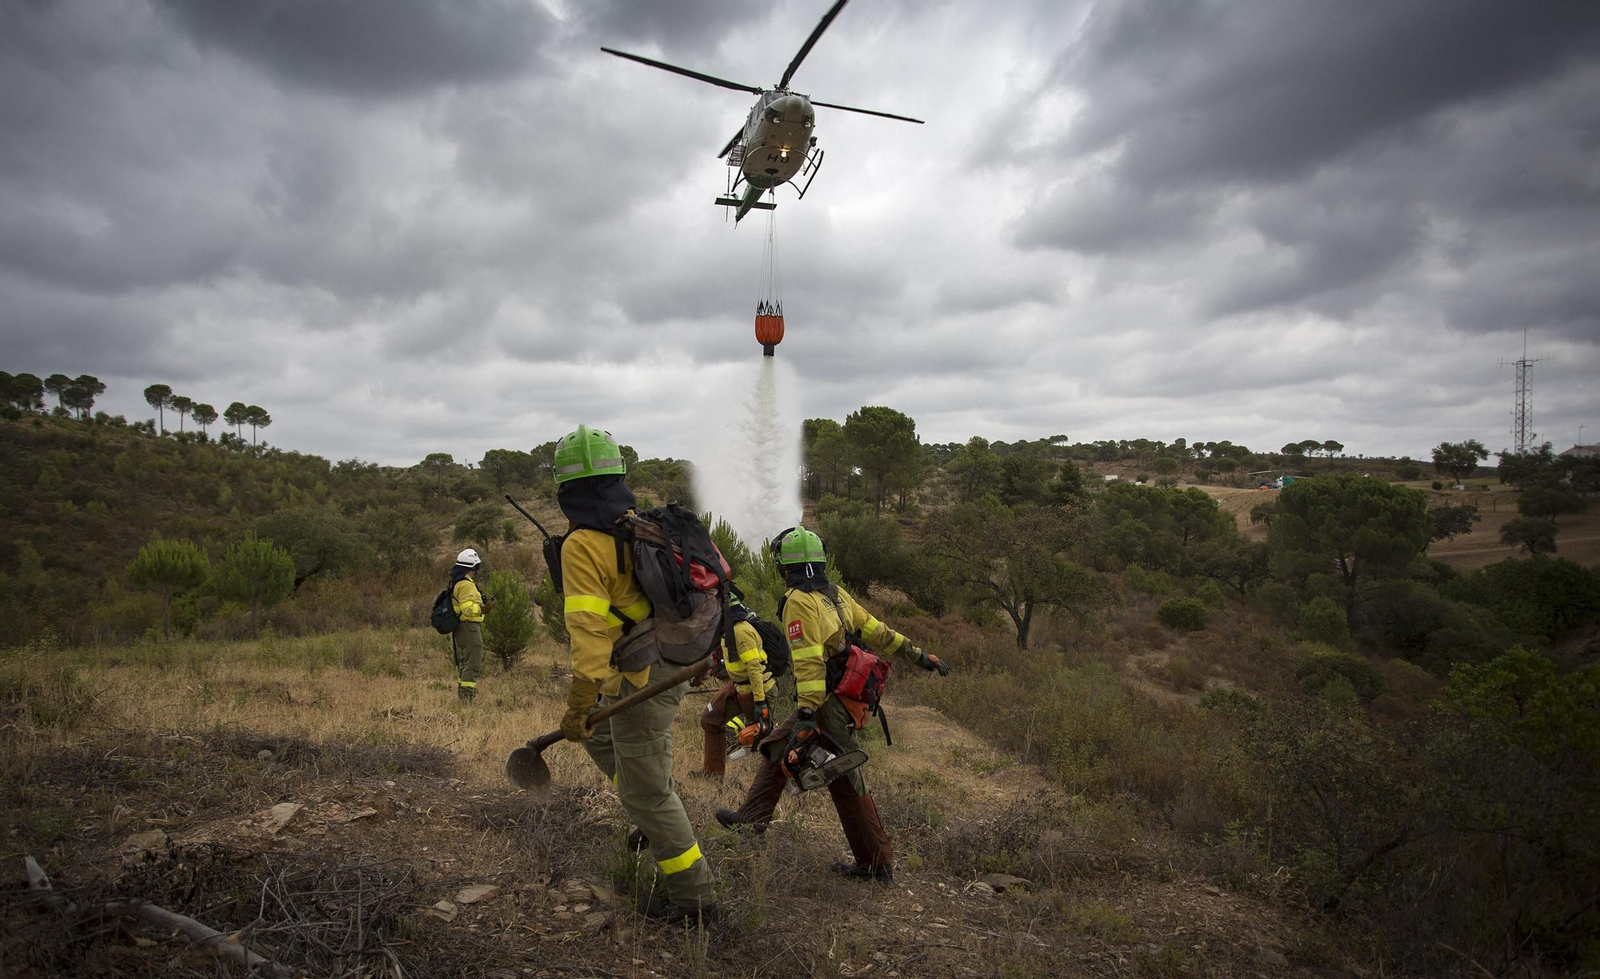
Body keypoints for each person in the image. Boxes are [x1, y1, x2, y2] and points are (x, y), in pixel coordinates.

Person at [715, 527, 950, 883]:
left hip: (826, 701)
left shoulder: (798, 600)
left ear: (783, 564)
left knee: (844, 777)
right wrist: (919, 656)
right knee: (777, 747)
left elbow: (809, 661)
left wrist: (808, 713)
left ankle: (876, 863)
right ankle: (750, 822)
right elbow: (879, 632)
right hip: (837, 695)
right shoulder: (835, 594)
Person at [554, 424, 719, 924]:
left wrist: (578, 705)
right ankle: (649, 804)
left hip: (647, 675)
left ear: (567, 489)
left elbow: (587, 634)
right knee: (602, 737)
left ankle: (695, 901)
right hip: (662, 662)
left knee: (646, 790)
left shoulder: (582, 545)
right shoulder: (636, 524)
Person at [693, 586, 779, 779]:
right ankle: (712, 775)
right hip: (739, 686)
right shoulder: (726, 631)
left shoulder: (741, 631)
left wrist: (760, 702)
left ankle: (788, 774)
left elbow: (754, 668)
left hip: (759, 690)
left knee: (765, 738)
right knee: (710, 719)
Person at [449, 548, 491, 702]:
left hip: (463, 627)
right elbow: (467, 609)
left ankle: (463, 696)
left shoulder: (460, 582)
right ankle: (467, 699)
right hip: (469, 626)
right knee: (473, 663)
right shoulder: (465, 585)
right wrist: (483, 609)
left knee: (466, 661)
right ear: (473, 566)